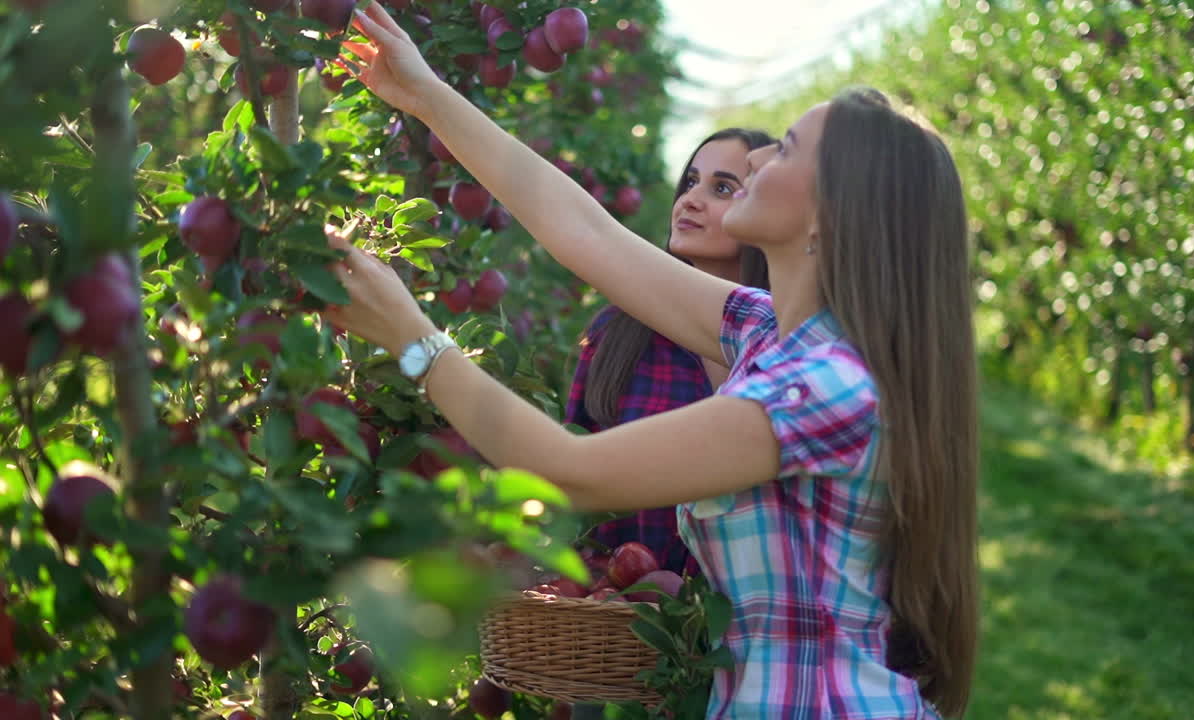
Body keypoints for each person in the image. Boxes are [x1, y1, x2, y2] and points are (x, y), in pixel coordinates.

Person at [326, 4, 979, 718]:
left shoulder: (824, 386)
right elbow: (584, 231)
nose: (757, 157)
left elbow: (567, 471)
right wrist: (422, 92)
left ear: (828, 217)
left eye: (786, 149)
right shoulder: (770, 334)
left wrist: (415, 340)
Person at [567, 127, 774, 579]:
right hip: (623, 636)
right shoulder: (621, 337)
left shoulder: (786, 344)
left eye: (722, 188)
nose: (691, 200)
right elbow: (575, 502)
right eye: (690, 182)